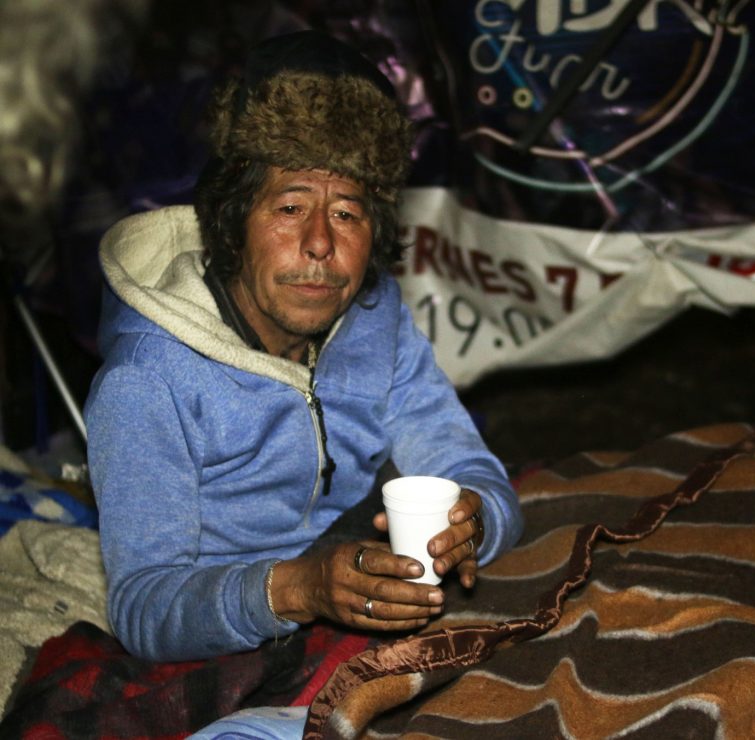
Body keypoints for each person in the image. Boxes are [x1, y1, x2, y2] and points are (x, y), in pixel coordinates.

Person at [83, 30, 524, 662]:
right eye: (290, 207)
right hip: (228, 622)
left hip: (353, 566)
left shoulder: (376, 317)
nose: (320, 244)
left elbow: (477, 475)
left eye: (347, 213)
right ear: (233, 219)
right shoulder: (149, 380)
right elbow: (145, 608)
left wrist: (472, 527)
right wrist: (299, 589)